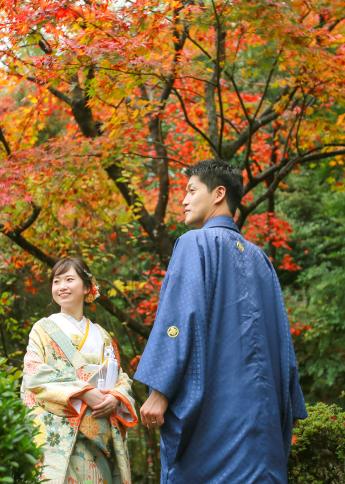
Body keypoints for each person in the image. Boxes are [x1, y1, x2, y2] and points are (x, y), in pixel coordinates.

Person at [135, 159, 307, 484]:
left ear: (218, 194)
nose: (183, 200)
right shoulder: (262, 259)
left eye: (190, 190)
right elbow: (283, 342)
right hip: (263, 423)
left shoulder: (193, 243)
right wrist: (290, 406)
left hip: (216, 419)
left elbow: (178, 318)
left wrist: (160, 390)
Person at [21, 257, 138, 484]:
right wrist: (83, 392)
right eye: (56, 281)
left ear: (86, 287)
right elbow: (34, 374)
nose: (61, 286)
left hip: (99, 427)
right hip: (60, 433)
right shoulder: (42, 329)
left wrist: (115, 398)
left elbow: (121, 377)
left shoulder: (102, 335)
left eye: (69, 279)